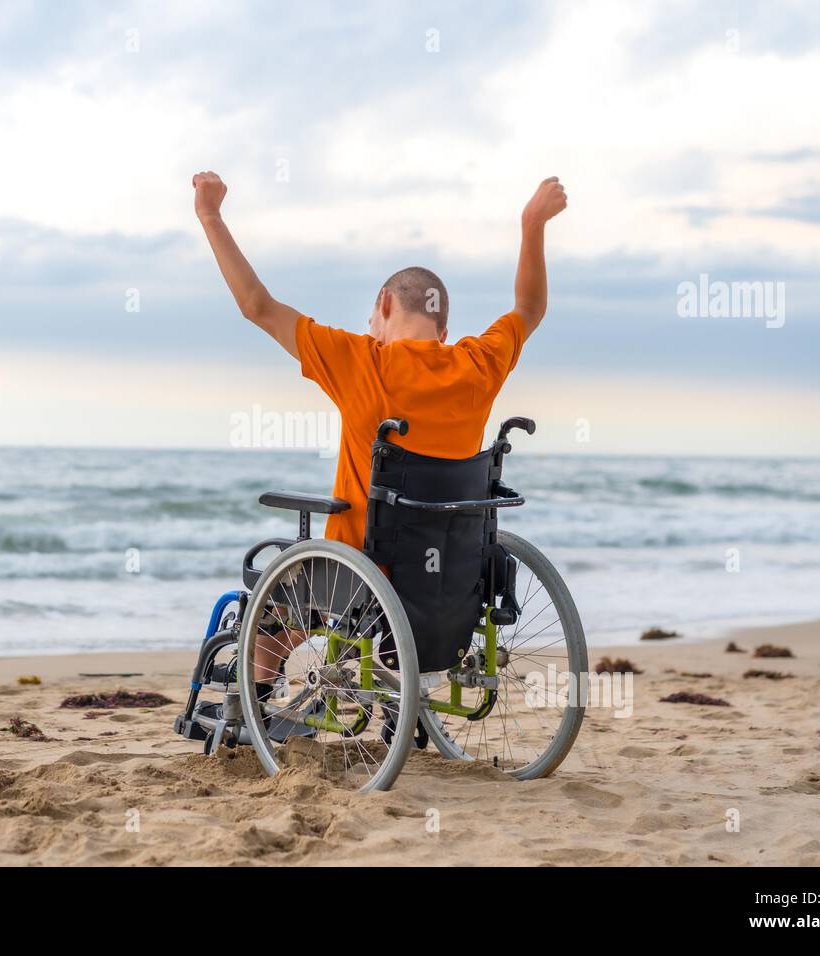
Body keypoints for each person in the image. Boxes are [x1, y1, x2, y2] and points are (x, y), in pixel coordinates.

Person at [192, 170, 567, 695]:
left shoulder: (359, 361)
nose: (370, 327)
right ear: (442, 331)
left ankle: (263, 705)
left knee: (269, 610)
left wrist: (209, 216)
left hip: (361, 578)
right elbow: (529, 309)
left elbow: (257, 306)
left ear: (385, 304)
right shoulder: (476, 366)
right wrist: (532, 224)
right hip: (450, 583)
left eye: (373, 317)